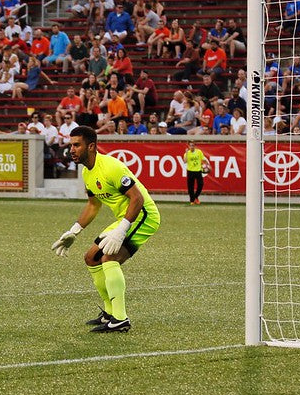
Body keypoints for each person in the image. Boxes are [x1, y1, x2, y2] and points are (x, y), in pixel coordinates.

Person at [51, 126, 161, 332]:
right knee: (91, 257)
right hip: (125, 218)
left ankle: (120, 319)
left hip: (143, 216)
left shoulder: (111, 167)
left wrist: (121, 231)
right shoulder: (86, 172)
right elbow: (93, 205)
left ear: (91, 146)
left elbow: (137, 199)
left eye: (76, 145)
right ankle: (110, 313)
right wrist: (74, 230)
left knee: (109, 257)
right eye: (70, 145)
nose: (71, 149)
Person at [184, 140, 205, 205]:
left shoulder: (199, 152)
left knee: (200, 184)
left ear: (195, 146)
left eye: (193, 145)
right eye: (190, 145)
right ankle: (192, 200)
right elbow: (185, 161)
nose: (191, 147)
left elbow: (203, 159)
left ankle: (196, 196)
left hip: (198, 170)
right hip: (190, 171)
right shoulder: (187, 153)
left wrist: (205, 166)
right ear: (188, 146)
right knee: (190, 187)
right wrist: (187, 153)